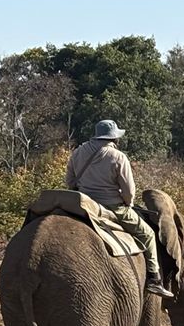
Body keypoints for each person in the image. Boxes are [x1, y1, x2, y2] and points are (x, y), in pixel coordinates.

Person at [66, 119, 174, 298]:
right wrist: (128, 204)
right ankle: (154, 279)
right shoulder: (118, 157)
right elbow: (129, 191)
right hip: (112, 207)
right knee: (147, 234)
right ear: (114, 138)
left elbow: (70, 181)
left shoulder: (78, 152)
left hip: (83, 205)